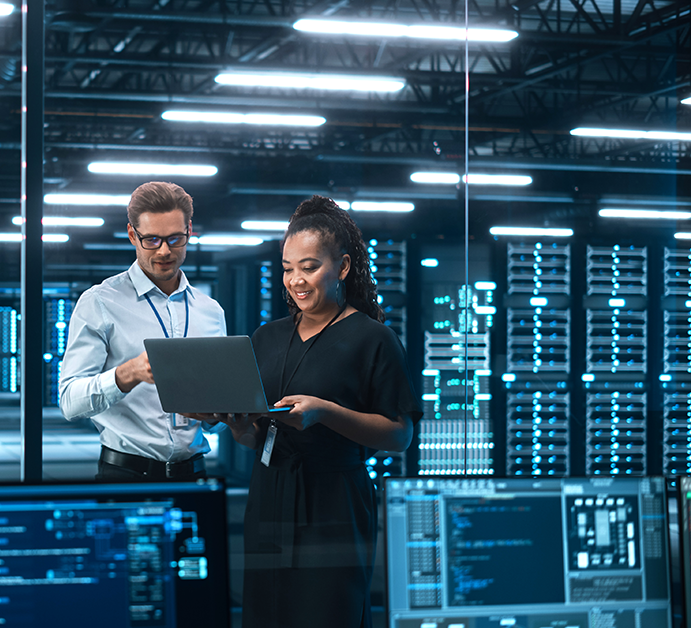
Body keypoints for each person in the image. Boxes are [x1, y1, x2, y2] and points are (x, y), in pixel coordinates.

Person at [217, 195, 421, 627]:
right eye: (288, 268)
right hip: (270, 495)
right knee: (265, 615)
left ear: (343, 267)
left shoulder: (374, 339)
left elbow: (399, 435)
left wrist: (325, 412)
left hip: (335, 503)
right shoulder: (266, 338)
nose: (296, 280)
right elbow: (259, 432)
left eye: (309, 267)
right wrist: (240, 429)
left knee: (328, 615)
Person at [58, 181, 227, 481]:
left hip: (194, 475)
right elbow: (70, 401)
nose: (164, 251)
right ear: (132, 235)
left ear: (189, 230)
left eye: (175, 239)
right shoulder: (100, 302)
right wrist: (128, 374)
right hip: (126, 475)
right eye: (152, 240)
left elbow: (217, 417)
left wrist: (221, 413)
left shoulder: (210, 311)